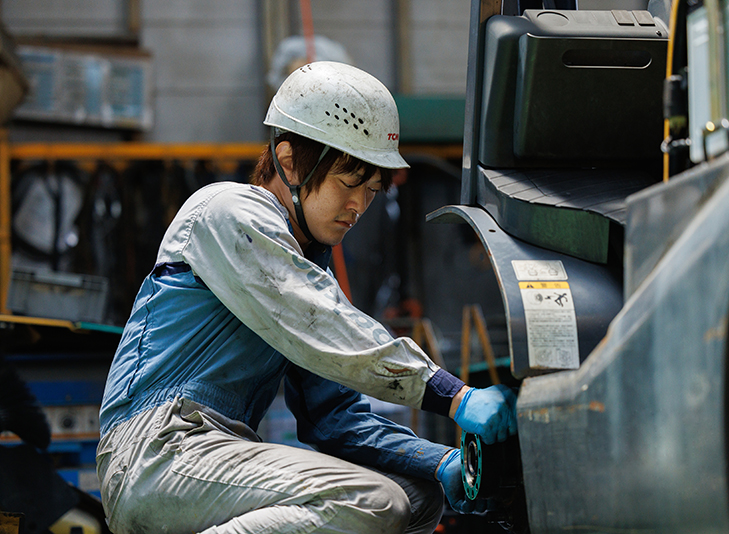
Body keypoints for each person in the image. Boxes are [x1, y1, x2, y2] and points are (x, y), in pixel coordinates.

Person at [95, 61, 517, 534]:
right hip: (157, 452)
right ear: (290, 160)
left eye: (372, 190)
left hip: (212, 456)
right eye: (348, 181)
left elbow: (334, 418)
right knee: (373, 503)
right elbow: (324, 325)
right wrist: (454, 396)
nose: (359, 206)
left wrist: (441, 463)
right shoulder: (228, 212)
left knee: (417, 498)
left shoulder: (303, 266)